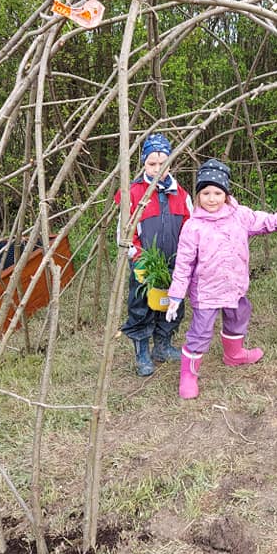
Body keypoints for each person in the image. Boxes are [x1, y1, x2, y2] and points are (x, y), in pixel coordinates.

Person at [165, 158, 277, 399]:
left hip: (235, 287)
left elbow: (267, 221)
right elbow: (183, 264)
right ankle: (188, 375)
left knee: (238, 317)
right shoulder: (193, 227)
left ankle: (233, 354)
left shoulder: (239, 216)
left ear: (226, 194)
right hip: (207, 292)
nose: (212, 199)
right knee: (200, 332)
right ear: (198, 195)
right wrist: (175, 295)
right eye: (205, 193)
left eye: (217, 193)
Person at [114, 133, 193, 376]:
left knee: (171, 305)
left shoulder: (181, 195)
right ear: (144, 164)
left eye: (163, 163)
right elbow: (124, 234)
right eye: (152, 163)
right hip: (144, 265)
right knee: (142, 307)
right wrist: (138, 258)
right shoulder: (133, 194)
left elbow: (190, 230)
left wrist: (186, 259)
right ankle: (142, 353)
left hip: (174, 265)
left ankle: (162, 346)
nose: (158, 169)